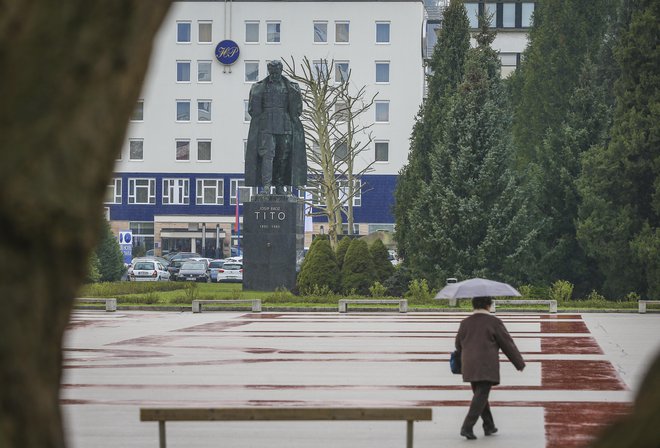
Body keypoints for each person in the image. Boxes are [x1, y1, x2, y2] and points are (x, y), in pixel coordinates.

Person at [455, 296, 526, 440]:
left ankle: (489, 425)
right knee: (481, 394)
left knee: (480, 394)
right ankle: (467, 427)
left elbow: (458, 344)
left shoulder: (465, 323)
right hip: (486, 365)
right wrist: (519, 363)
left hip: (469, 364)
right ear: (488, 305)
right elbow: (507, 344)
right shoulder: (494, 322)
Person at [244, 60, 306, 194]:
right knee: (267, 155)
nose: (274, 75)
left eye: (276, 72)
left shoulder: (292, 87)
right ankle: (266, 187)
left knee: (282, 156)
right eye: (272, 72)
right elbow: (252, 110)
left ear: (281, 71)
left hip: (285, 125)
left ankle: (279, 186)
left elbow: (298, 109)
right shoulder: (258, 87)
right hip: (266, 126)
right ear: (269, 71)